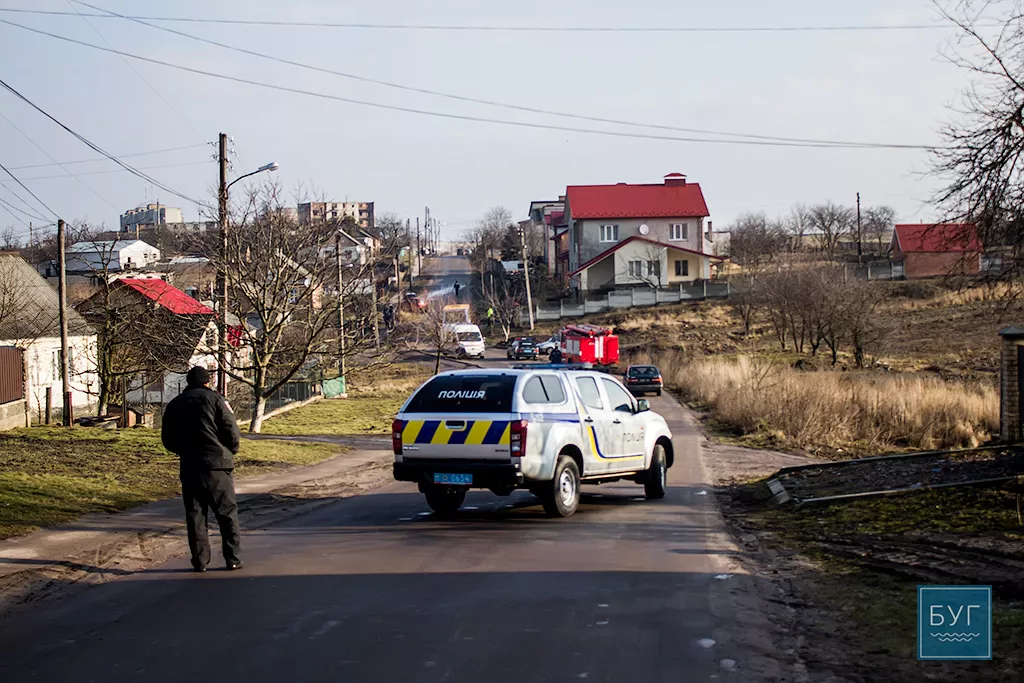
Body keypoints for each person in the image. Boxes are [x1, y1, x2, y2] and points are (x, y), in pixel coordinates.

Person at [161, 367, 243, 572]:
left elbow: (167, 438)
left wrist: (183, 451)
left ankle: (200, 561)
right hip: (217, 465)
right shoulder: (217, 400)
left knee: (195, 514)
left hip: (190, 465)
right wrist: (230, 450)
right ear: (208, 381)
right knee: (226, 514)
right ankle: (232, 558)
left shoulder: (175, 404)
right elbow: (230, 429)